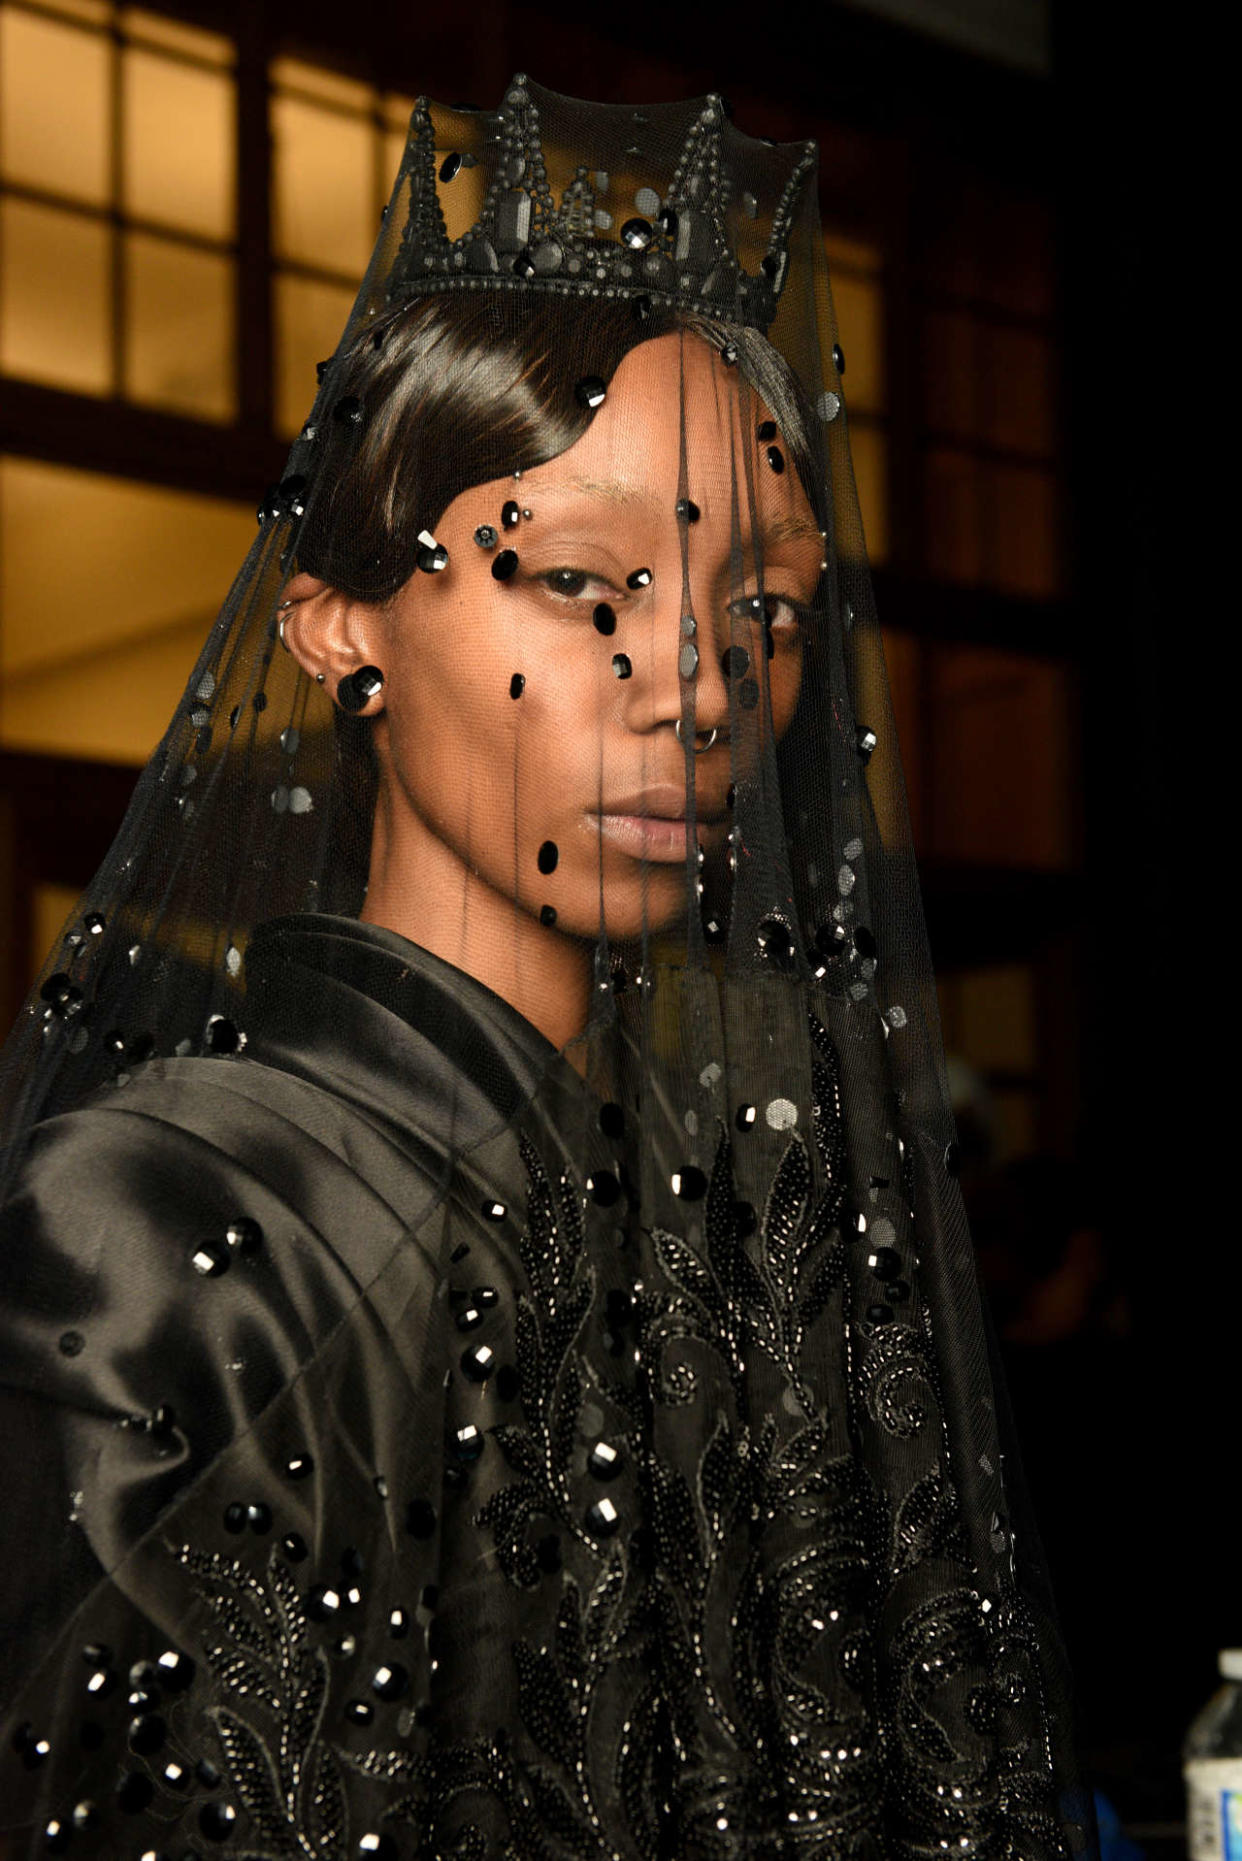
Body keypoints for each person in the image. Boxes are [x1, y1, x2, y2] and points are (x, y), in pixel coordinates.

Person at [0, 75, 1098, 1858]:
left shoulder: (749, 1203)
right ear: (339, 626)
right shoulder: (155, 1211)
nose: (699, 685)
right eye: (585, 579)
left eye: (760, 611)